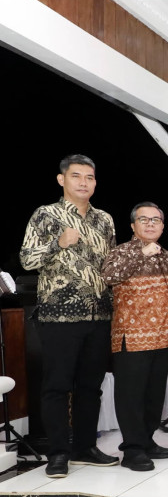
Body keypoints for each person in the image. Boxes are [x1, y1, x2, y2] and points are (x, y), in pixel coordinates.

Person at [20, 154, 119, 478]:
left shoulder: (104, 219)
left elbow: (110, 266)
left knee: (91, 386)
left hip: (98, 315)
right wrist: (58, 243)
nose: (83, 182)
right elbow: (27, 259)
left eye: (89, 177)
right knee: (57, 386)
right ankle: (58, 453)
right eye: (76, 176)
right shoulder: (46, 215)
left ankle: (85, 448)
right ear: (62, 179)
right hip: (59, 316)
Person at [101, 202, 168, 472]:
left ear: (163, 226)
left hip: (162, 337)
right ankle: (132, 449)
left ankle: (146, 440)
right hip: (131, 337)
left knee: (154, 395)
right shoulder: (122, 251)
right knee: (131, 396)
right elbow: (109, 276)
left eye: (156, 220)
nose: (150, 224)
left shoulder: (165, 255)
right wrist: (140, 254)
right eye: (144, 219)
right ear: (133, 225)